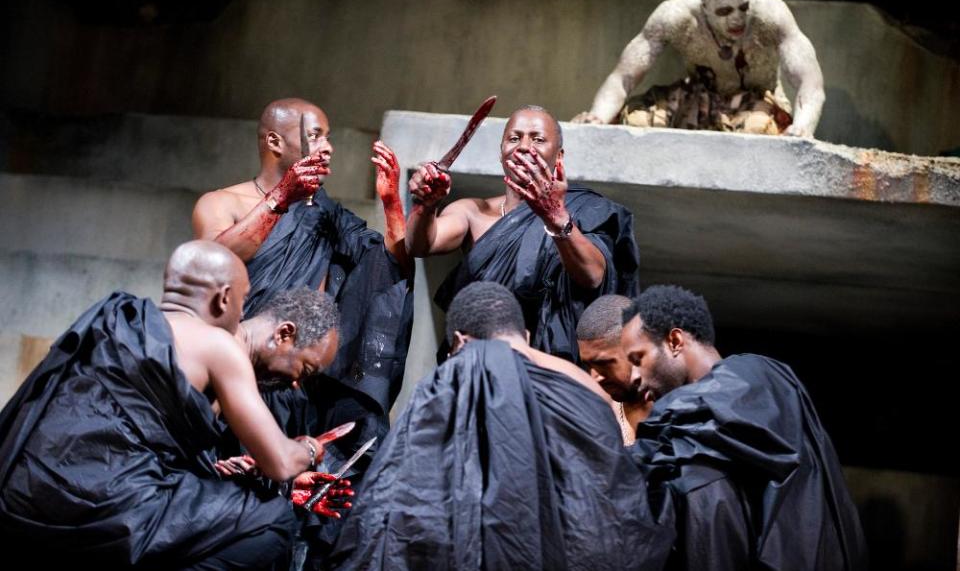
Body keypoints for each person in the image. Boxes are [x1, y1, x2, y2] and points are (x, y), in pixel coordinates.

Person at [0, 241, 350, 570]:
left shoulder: (121, 320)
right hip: (96, 507)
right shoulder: (219, 345)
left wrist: (221, 472)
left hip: (23, 493)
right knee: (272, 520)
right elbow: (280, 462)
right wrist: (309, 448)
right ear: (224, 299)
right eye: (243, 301)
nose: (244, 313)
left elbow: (123, 434)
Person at [330, 282, 672, 570]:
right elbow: (611, 497)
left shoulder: (455, 376)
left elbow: (401, 490)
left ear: (460, 343)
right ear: (525, 334)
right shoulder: (585, 391)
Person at [191, 98, 414, 498]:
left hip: (301, 392)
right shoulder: (222, 203)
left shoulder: (328, 219)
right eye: (315, 136)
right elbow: (211, 261)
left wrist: (393, 204)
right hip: (232, 384)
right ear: (275, 141)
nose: (327, 146)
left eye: (328, 137)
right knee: (229, 503)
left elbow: (390, 271)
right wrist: (280, 198)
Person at [622, 284, 867, 570]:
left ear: (675, 341)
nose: (634, 378)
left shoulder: (756, 378)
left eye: (638, 360)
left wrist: (627, 455)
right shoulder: (701, 435)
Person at [406, 104, 639, 363]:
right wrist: (426, 207)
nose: (524, 147)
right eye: (514, 138)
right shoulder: (474, 211)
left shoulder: (584, 210)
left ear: (559, 156)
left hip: (552, 371)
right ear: (501, 152)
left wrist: (555, 218)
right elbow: (420, 246)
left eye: (537, 139)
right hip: (482, 364)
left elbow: (594, 275)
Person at [573, 0, 825, 137]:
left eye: (743, 7)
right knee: (637, 120)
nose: (737, 18)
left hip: (757, 105)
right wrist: (598, 116)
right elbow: (624, 77)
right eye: (724, 11)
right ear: (705, 6)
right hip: (696, 101)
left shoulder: (771, 14)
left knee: (758, 131)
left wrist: (802, 127)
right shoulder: (674, 17)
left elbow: (810, 81)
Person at [576, 293, 653, 444]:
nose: (594, 377)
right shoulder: (596, 411)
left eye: (604, 364)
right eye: (589, 365)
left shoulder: (679, 407)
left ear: (636, 352)